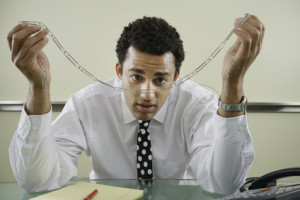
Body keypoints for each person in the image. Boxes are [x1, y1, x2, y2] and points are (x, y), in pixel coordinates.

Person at [7, 14, 265, 195]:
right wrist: (38, 88)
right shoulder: (89, 104)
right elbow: (37, 182)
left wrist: (232, 85)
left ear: (176, 77)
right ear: (119, 71)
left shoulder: (197, 104)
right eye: (136, 76)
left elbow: (222, 184)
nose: (147, 93)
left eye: (161, 79)